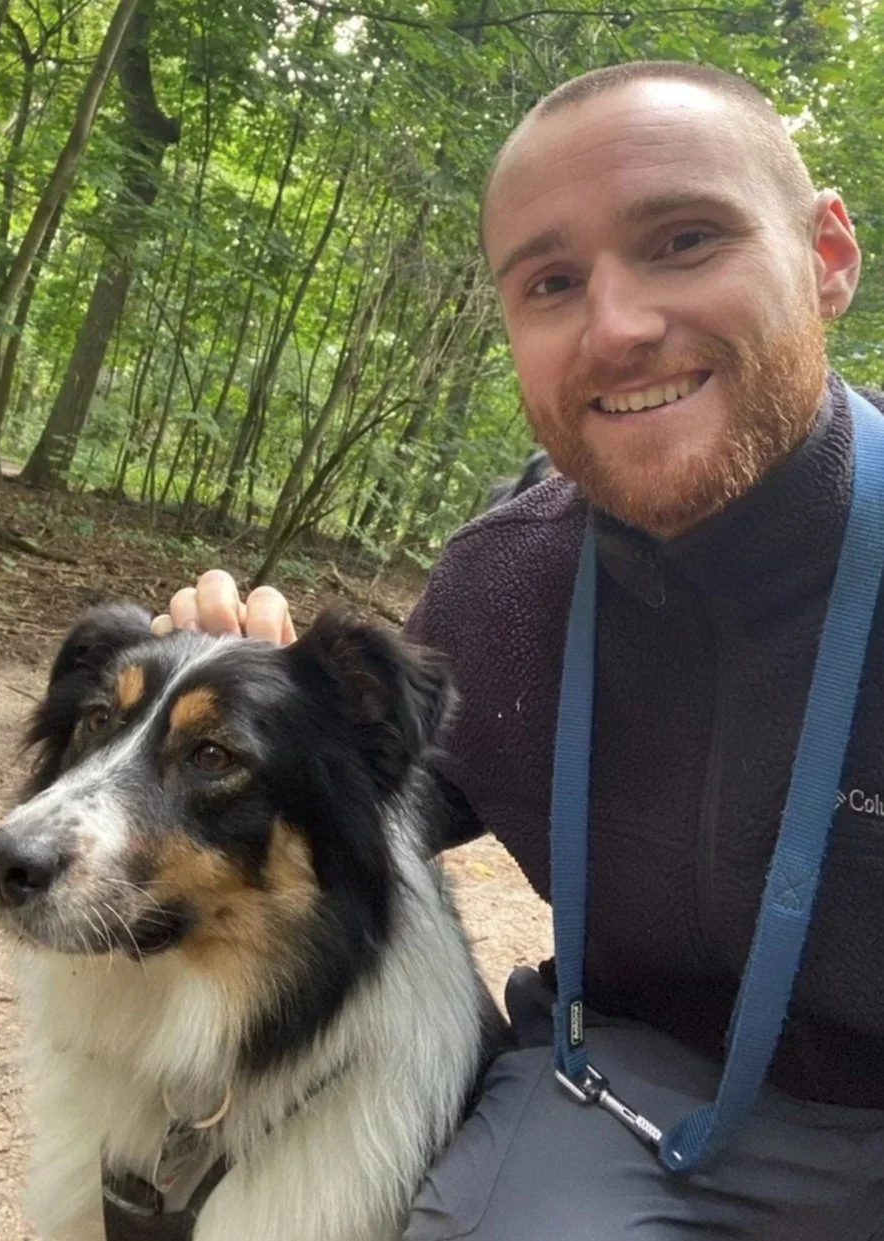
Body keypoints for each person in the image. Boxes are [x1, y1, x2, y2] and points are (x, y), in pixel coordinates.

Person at [152, 62, 884, 1239]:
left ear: (828, 254)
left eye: (686, 238)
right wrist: (250, 720)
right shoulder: (504, 581)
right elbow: (383, 806)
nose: (619, 326)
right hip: (627, 1085)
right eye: (551, 281)